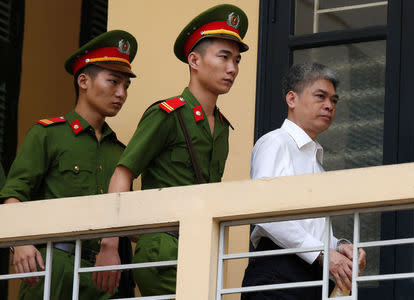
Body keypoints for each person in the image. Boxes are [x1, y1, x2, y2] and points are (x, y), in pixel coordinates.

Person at [95, 4, 250, 296]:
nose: (232, 68)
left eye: (237, 60)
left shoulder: (222, 128)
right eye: (224, 57)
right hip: (162, 249)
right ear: (194, 60)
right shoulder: (167, 114)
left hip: (201, 248)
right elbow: (122, 174)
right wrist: (110, 245)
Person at [0, 30, 138, 299]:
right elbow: (14, 195)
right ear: (83, 80)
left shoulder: (121, 153)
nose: (121, 93)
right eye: (113, 82)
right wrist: (21, 242)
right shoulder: (48, 134)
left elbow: (129, 219)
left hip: (104, 275)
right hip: (54, 265)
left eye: (126, 86)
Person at [241, 63, 366, 300]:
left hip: (310, 277)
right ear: (292, 99)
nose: (329, 105)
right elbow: (265, 213)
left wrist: (340, 248)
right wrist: (325, 254)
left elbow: (309, 228)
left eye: (334, 101)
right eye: (320, 96)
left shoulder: (315, 160)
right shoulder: (275, 142)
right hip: (278, 274)